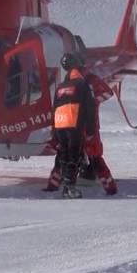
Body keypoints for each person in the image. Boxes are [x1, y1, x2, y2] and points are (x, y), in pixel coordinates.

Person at [45, 53, 95, 198]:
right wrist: (90, 129)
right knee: (74, 156)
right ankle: (70, 188)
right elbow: (89, 107)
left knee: (64, 155)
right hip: (73, 122)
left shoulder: (60, 87)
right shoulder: (82, 84)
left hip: (60, 123)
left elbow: (54, 108)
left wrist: (54, 132)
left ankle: (66, 186)